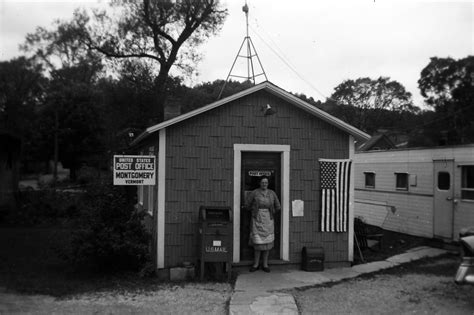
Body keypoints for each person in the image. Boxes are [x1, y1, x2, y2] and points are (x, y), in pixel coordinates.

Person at [245, 176, 281, 273]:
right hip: (257, 219)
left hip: (268, 220)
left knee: (267, 244)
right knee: (258, 243)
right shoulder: (255, 193)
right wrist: (254, 210)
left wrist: (271, 211)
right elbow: (247, 205)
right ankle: (256, 264)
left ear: (268, 183)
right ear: (260, 183)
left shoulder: (272, 193)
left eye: (266, 182)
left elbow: (278, 206)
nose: (264, 184)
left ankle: (265, 264)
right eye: (262, 182)